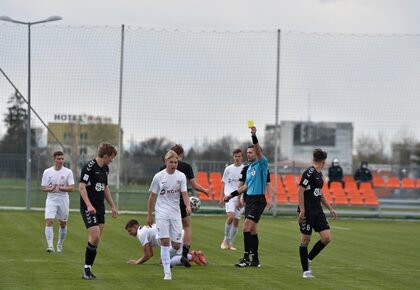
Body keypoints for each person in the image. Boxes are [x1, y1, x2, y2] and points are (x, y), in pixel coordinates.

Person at [225, 126, 268, 268]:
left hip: (258, 200)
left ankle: (245, 258)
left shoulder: (262, 164)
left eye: (251, 152)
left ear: (257, 153)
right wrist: (231, 195)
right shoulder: (248, 169)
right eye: (248, 153)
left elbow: (258, 149)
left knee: (246, 227)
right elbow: (245, 187)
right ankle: (255, 260)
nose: (249, 154)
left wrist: (254, 136)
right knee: (253, 230)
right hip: (249, 200)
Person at [148, 150, 192, 280]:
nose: (174, 164)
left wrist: (188, 205)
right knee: (165, 242)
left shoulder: (181, 176)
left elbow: (184, 194)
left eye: (176, 162)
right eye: (171, 162)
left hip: (175, 213)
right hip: (161, 213)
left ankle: (164, 257)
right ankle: (167, 272)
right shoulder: (158, 177)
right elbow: (152, 197)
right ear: (166, 162)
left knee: (177, 245)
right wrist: (149, 215)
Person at [163, 144, 210, 267]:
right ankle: (184, 254)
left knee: (169, 229)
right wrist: (205, 190)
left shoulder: (164, 167)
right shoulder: (186, 166)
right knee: (187, 226)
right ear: (182, 155)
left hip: (167, 203)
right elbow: (194, 185)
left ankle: (169, 254)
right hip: (181, 201)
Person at [79, 142, 118, 280]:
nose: (112, 160)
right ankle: (86, 270)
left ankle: (88, 269)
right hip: (88, 207)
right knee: (95, 236)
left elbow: (105, 187)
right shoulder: (89, 167)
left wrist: (112, 206)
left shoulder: (105, 169)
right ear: (106, 156)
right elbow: (82, 187)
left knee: (96, 240)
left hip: (100, 207)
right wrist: (89, 205)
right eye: (111, 157)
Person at [297, 148, 337, 278]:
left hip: (318, 211)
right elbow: (300, 191)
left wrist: (330, 208)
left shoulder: (320, 174)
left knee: (326, 238)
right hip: (307, 211)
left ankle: (308, 259)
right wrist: (302, 210)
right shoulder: (309, 172)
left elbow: (319, 193)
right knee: (305, 240)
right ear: (323, 161)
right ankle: (306, 271)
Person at [125, 219, 207, 266]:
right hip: (178, 236)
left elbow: (147, 255)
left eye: (130, 230)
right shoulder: (144, 230)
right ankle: (194, 255)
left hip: (175, 239)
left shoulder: (141, 233)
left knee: (164, 261)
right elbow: (150, 254)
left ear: (135, 227)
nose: (129, 234)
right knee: (167, 259)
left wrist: (136, 262)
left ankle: (192, 256)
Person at [41, 151, 75, 253]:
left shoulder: (68, 172)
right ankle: (50, 246)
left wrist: (61, 189)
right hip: (51, 199)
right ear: (54, 159)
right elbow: (43, 188)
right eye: (58, 159)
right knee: (49, 221)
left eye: (62, 159)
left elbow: (72, 188)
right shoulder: (47, 172)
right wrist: (51, 189)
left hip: (63, 199)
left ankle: (59, 245)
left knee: (63, 223)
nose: (60, 161)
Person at [219, 148, 244, 251]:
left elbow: (245, 185)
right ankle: (225, 239)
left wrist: (243, 198)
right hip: (229, 196)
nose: (237, 158)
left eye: (239, 156)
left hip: (240, 197)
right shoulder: (228, 169)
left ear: (242, 157)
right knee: (231, 216)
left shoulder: (245, 169)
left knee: (236, 221)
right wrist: (221, 198)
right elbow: (223, 183)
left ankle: (230, 243)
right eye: (235, 156)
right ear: (233, 157)